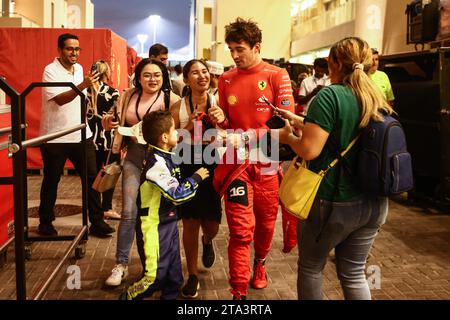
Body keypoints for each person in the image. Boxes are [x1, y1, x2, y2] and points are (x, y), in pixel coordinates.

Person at [273, 37, 392, 300]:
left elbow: (309, 150)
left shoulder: (330, 94)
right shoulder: (374, 95)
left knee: (312, 268)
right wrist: (303, 121)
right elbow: (343, 131)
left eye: (329, 59)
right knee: (354, 272)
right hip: (373, 202)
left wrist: (286, 137)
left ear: (336, 62)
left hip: (333, 201)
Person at [207, 17, 295, 300]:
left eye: (240, 48)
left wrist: (244, 136)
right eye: (230, 49)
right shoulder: (226, 79)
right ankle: (238, 290)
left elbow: (286, 126)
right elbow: (225, 125)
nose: (234, 55)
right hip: (236, 165)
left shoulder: (277, 75)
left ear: (256, 47)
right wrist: (218, 119)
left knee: (266, 224)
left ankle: (260, 263)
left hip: (268, 163)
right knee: (240, 230)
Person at [102, 58, 180, 286]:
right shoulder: (128, 96)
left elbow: (179, 132)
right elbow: (112, 118)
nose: (152, 79)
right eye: (147, 75)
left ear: (163, 77)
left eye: (157, 74)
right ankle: (121, 264)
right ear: (138, 77)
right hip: (133, 159)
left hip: (161, 164)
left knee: (156, 216)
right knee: (128, 212)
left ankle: (154, 264)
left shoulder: (171, 100)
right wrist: (109, 123)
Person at [119, 110, 210, 300]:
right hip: (153, 226)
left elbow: (186, 148)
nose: (178, 132)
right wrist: (196, 178)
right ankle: (127, 296)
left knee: (174, 278)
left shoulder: (167, 152)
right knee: (154, 278)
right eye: (174, 130)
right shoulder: (156, 164)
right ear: (165, 137)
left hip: (168, 224)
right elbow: (177, 195)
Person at [38, 33, 115, 237]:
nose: (74, 53)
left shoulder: (80, 69)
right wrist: (82, 85)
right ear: (60, 50)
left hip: (81, 133)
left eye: (77, 49)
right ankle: (45, 222)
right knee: (52, 180)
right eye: (70, 49)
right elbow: (60, 100)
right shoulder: (50, 70)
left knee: (92, 179)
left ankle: (97, 222)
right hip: (56, 136)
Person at [170, 59, 222, 299]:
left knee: (212, 223)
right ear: (187, 79)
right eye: (195, 73)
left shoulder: (219, 102)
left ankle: (208, 240)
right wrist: (189, 126)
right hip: (187, 163)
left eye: (205, 72)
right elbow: (171, 142)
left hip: (212, 163)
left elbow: (229, 133)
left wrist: (220, 122)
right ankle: (191, 274)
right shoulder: (178, 107)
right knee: (189, 221)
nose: (202, 76)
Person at [86, 60, 121, 220]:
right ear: (107, 73)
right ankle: (107, 207)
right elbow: (117, 118)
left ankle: (94, 209)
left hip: (88, 140)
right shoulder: (113, 93)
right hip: (109, 141)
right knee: (110, 174)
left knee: (92, 177)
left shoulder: (83, 92)